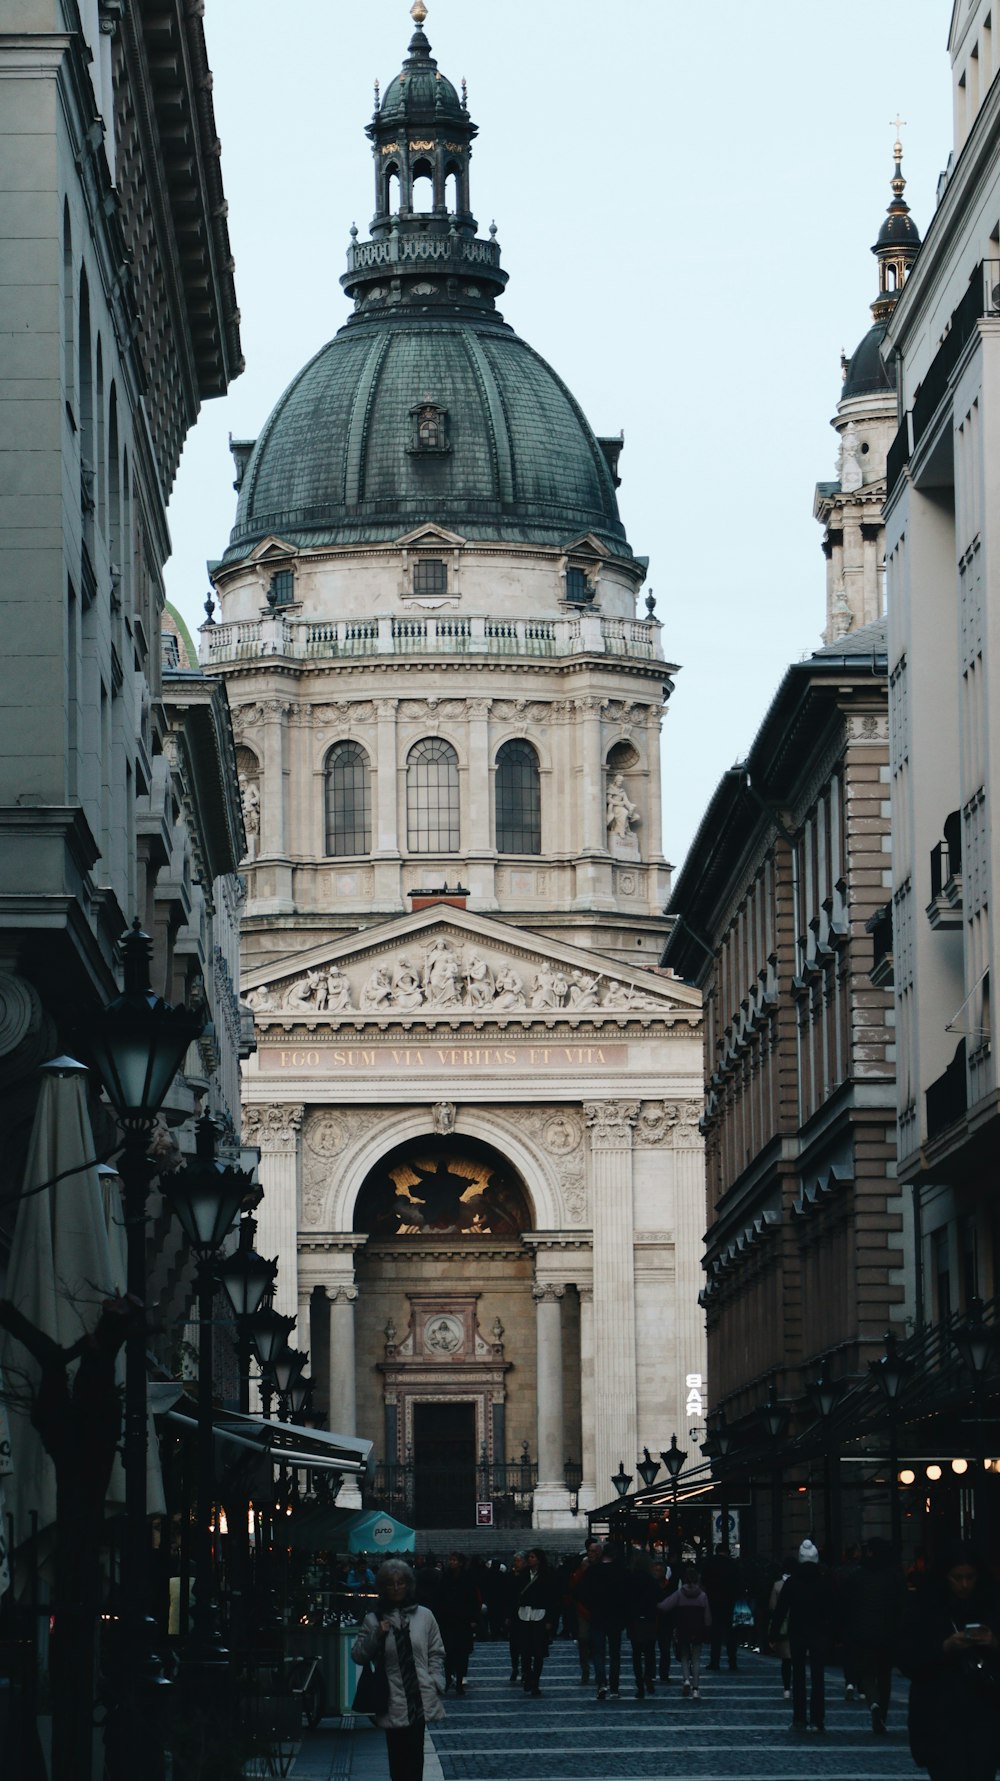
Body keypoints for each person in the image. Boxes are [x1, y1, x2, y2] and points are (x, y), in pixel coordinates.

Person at [898, 1541, 1000, 1781]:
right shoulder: (926, 1607)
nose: (964, 1585)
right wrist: (944, 1647)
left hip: (984, 1715)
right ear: (945, 1577)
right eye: (957, 1578)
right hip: (940, 1717)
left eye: (970, 1577)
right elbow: (907, 1658)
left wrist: (994, 1643)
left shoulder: (991, 1605)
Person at [351, 1559, 445, 1781]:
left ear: (408, 1585)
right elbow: (358, 1655)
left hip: (418, 1696)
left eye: (401, 1583)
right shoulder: (374, 1619)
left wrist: (434, 1679)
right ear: (383, 1587)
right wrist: (376, 1636)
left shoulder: (425, 1616)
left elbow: (436, 1651)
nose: (396, 1588)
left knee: (415, 1759)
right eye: (390, 1583)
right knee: (398, 1759)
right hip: (391, 1697)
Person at [839, 1536, 906, 1734]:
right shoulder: (894, 1576)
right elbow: (901, 1606)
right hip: (887, 1633)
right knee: (885, 1676)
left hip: (862, 1632)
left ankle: (873, 1704)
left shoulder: (857, 1576)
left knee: (867, 1674)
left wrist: (845, 1631)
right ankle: (882, 1714)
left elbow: (847, 1606)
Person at [772, 1538, 835, 1734]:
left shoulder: (792, 1582)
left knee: (798, 1676)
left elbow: (781, 1610)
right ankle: (818, 1718)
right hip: (818, 1632)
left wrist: (773, 1633)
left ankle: (799, 1718)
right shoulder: (824, 1582)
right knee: (818, 1677)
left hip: (797, 1631)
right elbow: (832, 1610)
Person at [576, 1539, 630, 1700]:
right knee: (614, 1654)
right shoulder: (622, 1571)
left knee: (598, 1653)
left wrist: (592, 1607)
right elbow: (628, 1597)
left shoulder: (593, 1571)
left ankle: (601, 1684)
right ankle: (614, 1688)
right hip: (615, 1617)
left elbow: (581, 1593)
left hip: (598, 1616)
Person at [659, 1564, 712, 1698]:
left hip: (683, 1628)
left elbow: (664, 1606)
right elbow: (707, 1616)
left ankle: (686, 1680)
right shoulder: (702, 1596)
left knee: (684, 1657)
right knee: (696, 1659)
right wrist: (708, 1627)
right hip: (698, 1628)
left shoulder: (679, 1594)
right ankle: (696, 1688)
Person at [435, 1550, 479, 1695]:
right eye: (450, 1560)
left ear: (460, 1562)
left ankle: (459, 1680)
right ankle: (448, 1679)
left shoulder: (468, 1578)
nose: (451, 1562)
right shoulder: (445, 1577)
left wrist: (473, 1618)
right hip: (448, 1620)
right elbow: (439, 1598)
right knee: (448, 1652)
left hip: (463, 1620)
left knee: (462, 1652)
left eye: (454, 1560)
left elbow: (474, 1599)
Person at [517, 1547, 558, 1696]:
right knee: (526, 1651)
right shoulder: (522, 1574)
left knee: (539, 1652)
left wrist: (550, 1620)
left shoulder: (547, 1575)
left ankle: (535, 1681)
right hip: (524, 1615)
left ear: (539, 1559)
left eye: (533, 1557)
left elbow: (552, 1598)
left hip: (540, 1615)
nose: (530, 1559)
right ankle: (528, 1676)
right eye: (529, 1557)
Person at [626, 1554, 662, 1699]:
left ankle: (639, 1684)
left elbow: (625, 1599)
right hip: (649, 1619)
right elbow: (659, 1597)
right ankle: (649, 1675)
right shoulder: (651, 1581)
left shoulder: (630, 1580)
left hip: (634, 1620)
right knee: (650, 1652)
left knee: (636, 1654)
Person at [703, 1546, 744, 1670]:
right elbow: (739, 1583)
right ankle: (733, 1662)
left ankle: (715, 1662)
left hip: (714, 1601)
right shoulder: (733, 1564)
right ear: (727, 1552)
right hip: (730, 1602)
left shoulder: (710, 1562)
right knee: (731, 1633)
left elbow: (704, 1581)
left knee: (716, 1633)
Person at [569, 1539, 603, 1684]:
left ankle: (599, 1673)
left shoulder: (602, 1568)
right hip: (583, 1609)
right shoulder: (582, 1567)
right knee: (583, 1640)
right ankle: (585, 1670)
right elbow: (573, 1587)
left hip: (599, 1610)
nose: (591, 1554)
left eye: (594, 1551)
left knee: (598, 1643)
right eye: (589, 1551)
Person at [767, 1554, 796, 1701]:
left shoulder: (778, 1585)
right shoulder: (799, 1583)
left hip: (784, 1625)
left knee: (786, 1659)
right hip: (798, 1624)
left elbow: (773, 1607)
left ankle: (786, 1688)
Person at [502, 1551, 528, 1682]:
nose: (515, 1563)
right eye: (515, 1560)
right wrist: (507, 1615)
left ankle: (524, 1669)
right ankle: (515, 1667)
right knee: (513, 1644)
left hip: (525, 1613)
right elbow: (506, 1596)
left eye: (518, 1560)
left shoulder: (528, 1576)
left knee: (525, 1643)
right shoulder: (510, 1576)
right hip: (513, 1614)